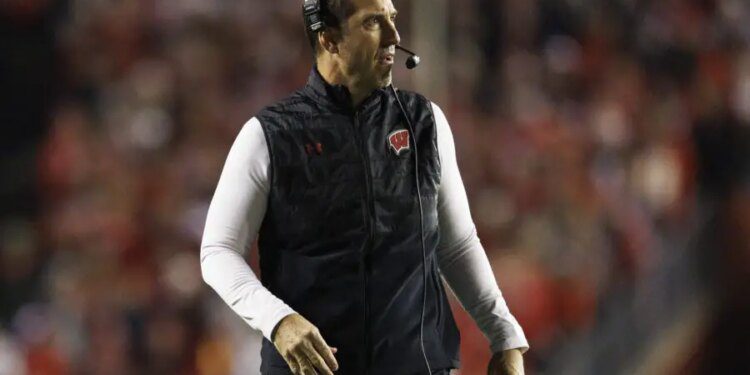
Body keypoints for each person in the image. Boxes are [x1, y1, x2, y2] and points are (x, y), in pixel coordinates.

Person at [200, 0, 528, 373]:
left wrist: (504, 335)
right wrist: (278, 321)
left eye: (392, 20)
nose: (394, 36)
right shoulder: (269, 135)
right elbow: (218, 251)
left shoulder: (425, 123)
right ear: (329, 39)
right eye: (374, 22)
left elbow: (456, 244)